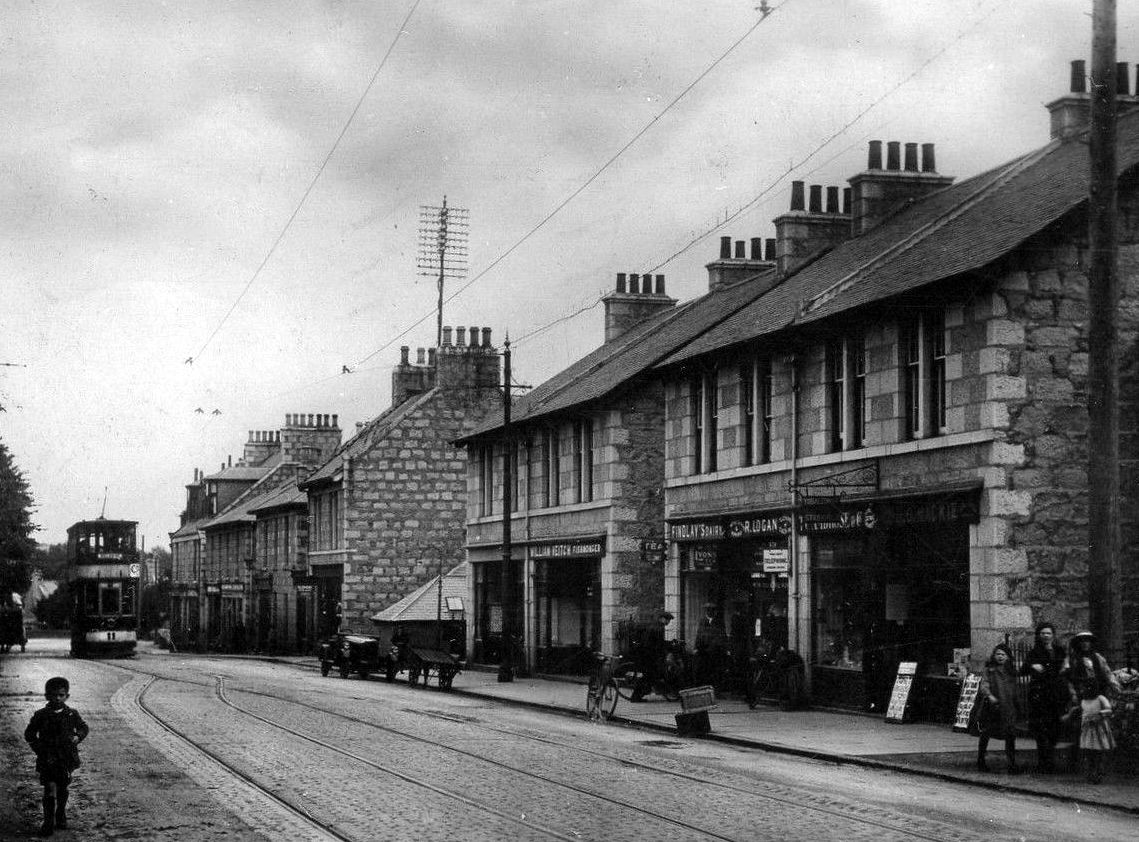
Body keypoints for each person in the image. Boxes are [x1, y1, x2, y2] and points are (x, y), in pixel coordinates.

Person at [24, 676, 89, 837]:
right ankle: (48, 822)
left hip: (66, 758)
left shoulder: (71, 714)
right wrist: (39, 748)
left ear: (67, 696)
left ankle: (60, 813)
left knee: (62, 786)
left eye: (61, 695)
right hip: (48, 758)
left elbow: (83, 727)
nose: (57, 698)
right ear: (47, 696)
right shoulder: (41, 715)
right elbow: (29, 734)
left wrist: (78, 737)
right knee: (49, 788)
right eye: (54, 695)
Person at [1063, 631, 1119, 784]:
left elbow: (1107, 673)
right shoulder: (1072, 659)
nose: (1085, 644)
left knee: (1099, 733)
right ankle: (1082, 765)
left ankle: (1098, 767)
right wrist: (1073, 694)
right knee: (1080, 730)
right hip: (1080, 697)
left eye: (1088, 641)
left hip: (1096, 695)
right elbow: (1067, 678)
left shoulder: (1098, 658)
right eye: (1082, 641)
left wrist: (1115, 686)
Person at [1021, 622, 1068, 773]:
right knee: (1040, 729)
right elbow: (1023, 670)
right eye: (1043, 633)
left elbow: (1064, 669)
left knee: (1054, 728)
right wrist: (1032, 666)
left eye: (1048, 633)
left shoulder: (1059, 651)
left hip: (1055, 694)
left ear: (1053, 635)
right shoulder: (1034, 652)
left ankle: (1050, 758)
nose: (1046, 636)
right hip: (1040, 695)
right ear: (1039, 635)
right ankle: (1043, 762)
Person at [976, 643, 1023, 774]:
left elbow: (1015, 690)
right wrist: (989, 695)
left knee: (1010, 736)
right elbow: (984, 685)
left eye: (1003, 654)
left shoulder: (1011, 671)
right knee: (986, 734)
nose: (1000, 656)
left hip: (1008, 707)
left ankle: (1012, 764)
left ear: (1008, 657)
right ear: (994, 656)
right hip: (993, 707)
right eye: (998, 654)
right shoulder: (989, 670)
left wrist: (1017, 705)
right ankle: (981, 760)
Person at [631, 611, 674, 702]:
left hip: (647, 656)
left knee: (649, 676)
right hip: (650, 657)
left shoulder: (655, 625)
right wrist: (669, 646)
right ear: (662, 619)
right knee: (648, 677)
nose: (668, 622)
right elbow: (658, 644)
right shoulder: (658, 628)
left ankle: (638, 695)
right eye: (668, 620)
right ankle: (636, 696)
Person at [695, 602, 727, 689]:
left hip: (714, 650)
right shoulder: (702, 621)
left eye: (711, 610)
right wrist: (696, 647)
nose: (709, 612)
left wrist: (723, 647)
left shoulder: (719, 622)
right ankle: (704, 687)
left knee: (714, 670)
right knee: (703, 669)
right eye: (708, 610)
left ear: (714, 612)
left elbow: (722, 635)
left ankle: (714, 688)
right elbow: (699, 634)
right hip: (703, 650)